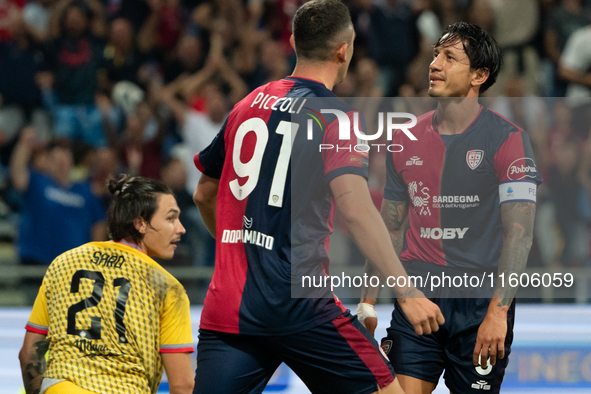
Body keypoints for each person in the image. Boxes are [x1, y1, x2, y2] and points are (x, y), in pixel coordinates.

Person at [192, 0, 444, 393]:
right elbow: (357, 209)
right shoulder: (336, 116)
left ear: (293, 41)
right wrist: (406, 291)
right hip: (300, 305)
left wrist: (241, 248)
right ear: (344, 49)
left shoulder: (246, 104)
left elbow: (204, 193)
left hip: (230, 308)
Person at [356, 22, 543, 394]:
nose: (435, 64)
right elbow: (390, 227)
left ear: (479, 75)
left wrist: (497, 313)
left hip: (480, 301)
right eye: (435, 55)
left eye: (449, 57)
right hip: (418, 293)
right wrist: (367, 300)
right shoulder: (404, 139)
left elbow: (519, 233)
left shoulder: (509, 140)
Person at [18, 175, 194, 394]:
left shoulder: (64, 262)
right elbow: (182, 385)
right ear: (140, 223)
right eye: (171, 218)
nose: (181, 228)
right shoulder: (168, 288)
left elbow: (28, 354)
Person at [10, 129, 106, 267]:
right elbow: (18, 175)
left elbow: (98, 224)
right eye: (56, 159)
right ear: (48, 162)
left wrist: (96, 260)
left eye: (65, 158)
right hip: (36, 262)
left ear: (72, 162)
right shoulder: (38, 182)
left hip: (72, 266)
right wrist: (24, 144)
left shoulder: (85, 192)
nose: (61, 163)